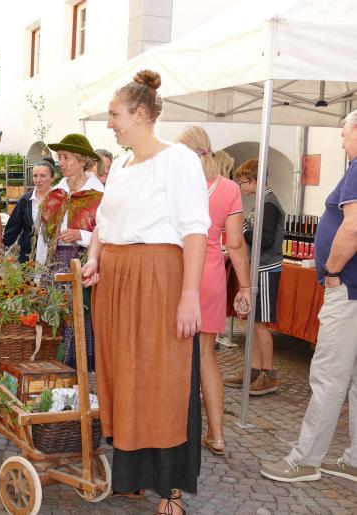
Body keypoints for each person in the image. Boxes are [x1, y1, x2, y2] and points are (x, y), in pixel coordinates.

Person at [81, 70, 209, 514]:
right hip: (116, 279)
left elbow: (195, 231)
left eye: (114, 115)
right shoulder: (120, 166)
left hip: (158, 278)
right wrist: (95, 258)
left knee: (161, 378)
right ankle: (133, 476)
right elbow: (104, 223)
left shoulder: (178, 160)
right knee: (124, 376)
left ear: (139, 114)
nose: (109, 124)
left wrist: (189, 296)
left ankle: (171, 489)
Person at [260, 110, 357, 484]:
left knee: (329, 376)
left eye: (344, 134)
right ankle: (353, 459)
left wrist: (332, 271)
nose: (342, 142)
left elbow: (352, 227)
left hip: (347, 288)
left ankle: (305, 459)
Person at [175, 125, 252, 456]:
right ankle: (217, 434)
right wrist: (245, 286)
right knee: (207, 355)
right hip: (211, 276)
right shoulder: (229, 188)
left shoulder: (176, 185)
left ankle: (175, 430)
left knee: (174, 354)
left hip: (178, 271)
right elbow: (235, 243)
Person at [36, 134, 103, 371]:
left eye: (66, 157)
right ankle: (56, 374)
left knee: (79, 319)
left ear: (82, 160)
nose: (61, 163)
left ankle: (80, 376)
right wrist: (38, 275)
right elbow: (42, 238)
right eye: (60, 157)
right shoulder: (55, 194)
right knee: (54, 320)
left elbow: (108, 233)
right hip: (54, 266)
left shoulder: (99, 195)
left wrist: (81, 235)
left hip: (84, 266)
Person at [223, 158, 285, 395]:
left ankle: (268, 374)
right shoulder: (261, 203)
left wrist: (242, 230)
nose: (240, 187)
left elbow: (265, 240)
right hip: (259, 268)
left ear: (254, 181)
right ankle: (254, 369)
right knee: (253, 322)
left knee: (260, 324)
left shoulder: (268, 204)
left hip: (267, 269)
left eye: (242, 182)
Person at [3, 159, 55, 262]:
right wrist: (3, 248)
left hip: (52, 255)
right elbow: (13, 228)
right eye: (35, 176)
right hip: (28, 257)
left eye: (43, 176)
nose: (38, 180)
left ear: (52, 178)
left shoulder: (61, 199)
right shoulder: (25, 200)